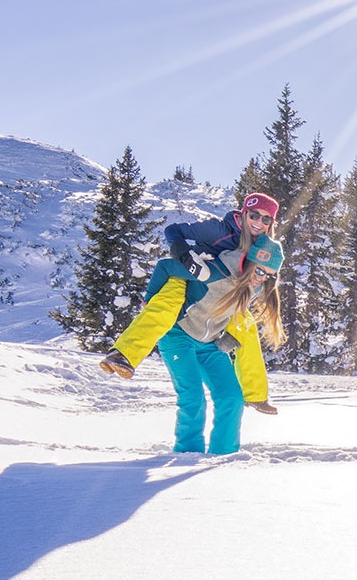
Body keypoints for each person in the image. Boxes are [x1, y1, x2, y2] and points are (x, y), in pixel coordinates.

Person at [99, 192, 280, 377]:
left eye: (266, 219)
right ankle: (123, 355)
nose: (259, 222)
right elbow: (172, 231)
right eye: (254, 215)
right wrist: (185, 256)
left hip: (215, 292)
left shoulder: (262, 246)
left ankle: (255, 394)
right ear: (244, 213)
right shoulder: (219, 230)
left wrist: (232, 335)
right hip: (188, 276)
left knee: (246, 323)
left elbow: (252, 288)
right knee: (167, 306)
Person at [137, 234, 287, 454]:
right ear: (250, 263)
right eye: (260, 270)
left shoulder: (253, 287)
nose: (262, 278)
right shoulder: (216, 271)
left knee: (232, 398)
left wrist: (228, 337)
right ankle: (187, 454)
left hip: (209, 343)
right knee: (193, 398)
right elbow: (166, 267)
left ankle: (224, 455)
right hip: (179, 335)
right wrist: (148, 303)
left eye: (269, 276)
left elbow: (234, 313)